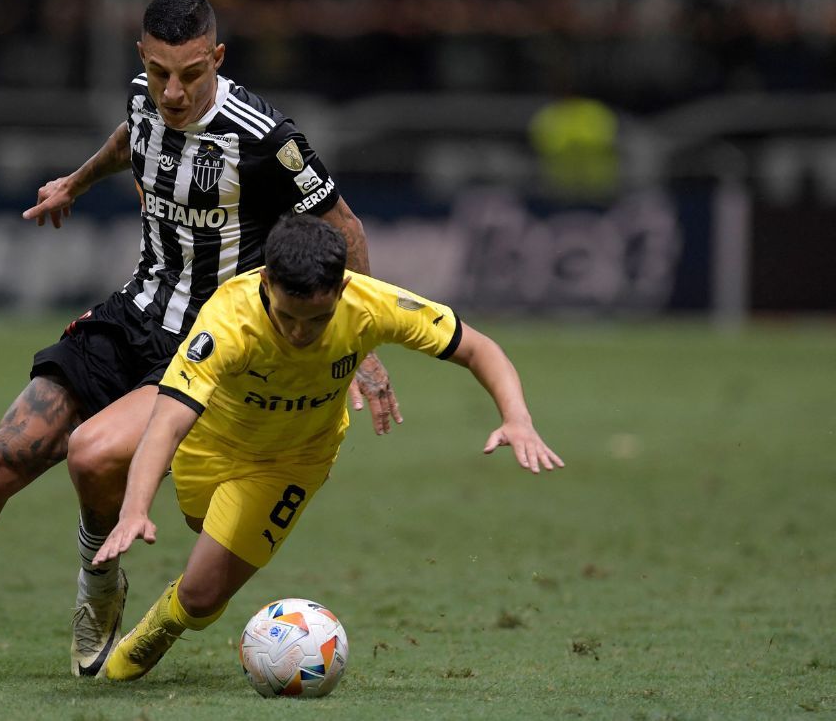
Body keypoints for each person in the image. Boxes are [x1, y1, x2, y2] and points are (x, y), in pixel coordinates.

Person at [0, 0, 398, 677]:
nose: (173, 91)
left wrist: (361, 349)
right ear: (143, 58)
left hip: (205, 346)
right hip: (130, 314)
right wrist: (75, 184)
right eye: (159, 72)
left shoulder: (267, 137)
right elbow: (130, 139)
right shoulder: (143, 98)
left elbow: (343, 225)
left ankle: (98, 584)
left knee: (90, 456)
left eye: (192, 74)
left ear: (218, 59)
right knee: (0, 457)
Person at [91, 213, 564, 681]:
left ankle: (158, 628)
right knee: (200, 524)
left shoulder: (371, 303)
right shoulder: (228, 321)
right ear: (267, 283)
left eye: (317, 319)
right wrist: (135, 509)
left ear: (341, 289)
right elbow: (167, 422)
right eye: (288, 317)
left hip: (293, 461)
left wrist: (516, 418)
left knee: (201, 596)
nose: (301, 333)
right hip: (209, 446)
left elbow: (477, 348)